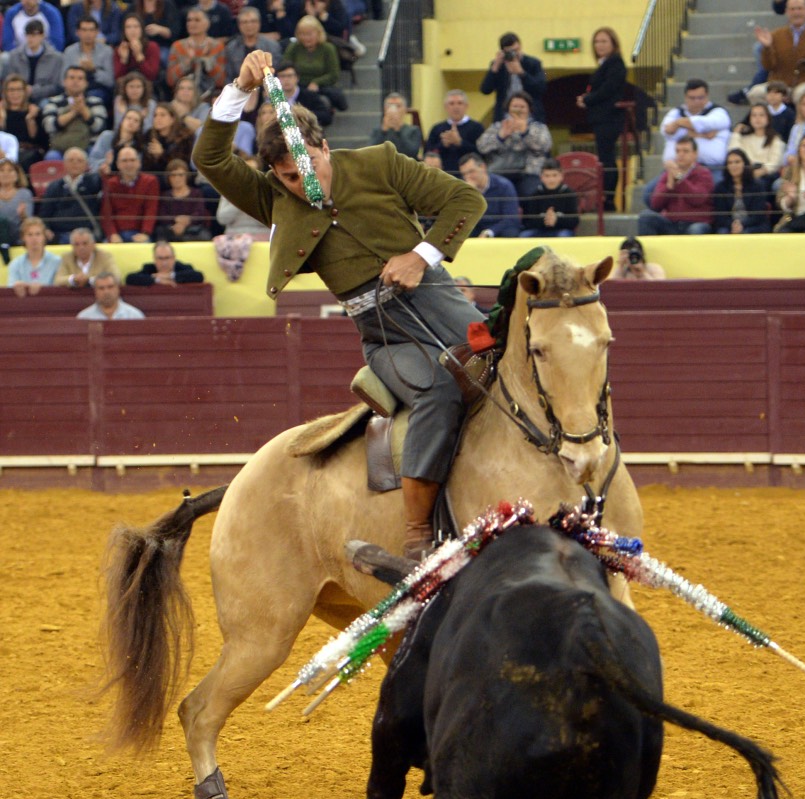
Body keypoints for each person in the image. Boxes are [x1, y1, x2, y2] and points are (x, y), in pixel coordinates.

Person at [193, 49, 487, 559]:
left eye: (307, 167)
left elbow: (467, 200)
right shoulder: (274, 199)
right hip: (387, 334)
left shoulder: (379, 162)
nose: (303, 184)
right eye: (287, 176)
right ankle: (418, 533)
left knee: (504, 362)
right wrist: (239, 89)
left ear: (323, 147)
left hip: (440, 300)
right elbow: (210, 160)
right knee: (439, 389)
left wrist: (419, 255)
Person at [576, 26, 627, 211]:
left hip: (609, 118)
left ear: (613, 43)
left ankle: (609, 198)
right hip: (601, 117)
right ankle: (606, 196)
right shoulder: (605, 63)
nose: (599, 45)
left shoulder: (615, 63)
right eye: (597, 41)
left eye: (604, 41)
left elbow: (608, 89)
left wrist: (587, 99)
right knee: (605, 158)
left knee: (607, 159)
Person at [475, 90, 551, 198]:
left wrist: (525, 132)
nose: (518, 110)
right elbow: (481, 146)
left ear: (529, 109)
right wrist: (500, 136)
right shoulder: (497, 126)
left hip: (529, 173)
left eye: (522, 107)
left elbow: (545, 146)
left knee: (531, 194)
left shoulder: (538, 127)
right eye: (515, 106)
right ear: (508, 109)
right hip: (499, 171)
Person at [751, 0, 805, 100]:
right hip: (779, 84)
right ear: (787, 12)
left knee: (802, 94)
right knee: (755, 93)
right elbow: (768, 66)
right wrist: (767, 48)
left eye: (800, 9)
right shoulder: (776, 35)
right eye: (792, 9)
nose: (796, 13)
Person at [637, 136, 714, 235]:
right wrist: (668, 187)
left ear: (695, 154)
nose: (680, 155)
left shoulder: (704, 173)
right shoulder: (668, 173)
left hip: (695, 223)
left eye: (685, 151)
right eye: (678, 151)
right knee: (646, 216)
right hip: (672, 223)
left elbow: (697, 199)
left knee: (696, 230)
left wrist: (679, 178)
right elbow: (655, 205)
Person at [659, 79, 731, 174]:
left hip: (710, 169)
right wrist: (703, 134)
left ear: (707, 96)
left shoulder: (718, 112)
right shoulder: (675, 113)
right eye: (692, 98)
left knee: (718, 187)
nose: (696, 101)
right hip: (677, 169)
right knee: (651, 189)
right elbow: (667, 130)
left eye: (701, 98)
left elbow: (708, 123)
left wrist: (679, 124)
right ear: (685, 97)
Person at [282, 15, 347, 115]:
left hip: (320, 87)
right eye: (302, 34)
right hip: (297, 86)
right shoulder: (293, 48)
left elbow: (333, 74)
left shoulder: (328, 49)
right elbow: (284, 68)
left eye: (309, 34)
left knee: (321, 101)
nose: (306, 38)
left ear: (318, 33)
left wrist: (316, 82)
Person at [41, 65, 108, 158]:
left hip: (88, 146)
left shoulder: (95, 102)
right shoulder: (53, 102)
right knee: (51, 157)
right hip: (60, 148)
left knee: (96, 155)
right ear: (64, 82)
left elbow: (98, 127)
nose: (75, 81)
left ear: (86, 83)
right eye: (71, 78)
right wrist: (73, 113)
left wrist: (84, 111)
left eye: (80, 78)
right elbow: (49, 126)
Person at [38, 146, 103, 241]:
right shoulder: (54, 186)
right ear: (64, 164)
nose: (75, 163)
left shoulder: (93, 182)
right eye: (71, 160)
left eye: (79, 161)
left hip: (87, 234)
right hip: (60, 234)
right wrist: (46, 229)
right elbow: (45, 214)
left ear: (86, 165)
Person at [480, 32, 547, 123]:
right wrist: (495, 68)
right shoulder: (499, 65)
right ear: (503, 51)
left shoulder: (533, 63)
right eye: (510, 52)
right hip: (505, 115)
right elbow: (485, 90)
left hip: (530, 115)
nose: (515, 54)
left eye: (516, 50)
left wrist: (522, 73)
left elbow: (541, 88)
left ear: (520, 46)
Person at [100, 145, 159, 242]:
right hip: (117, 234)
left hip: (140, 233)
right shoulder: (110, 184)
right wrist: (112, 234)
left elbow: (151, 209)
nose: (129, 164)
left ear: (139, 163)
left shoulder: (150, 181)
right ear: (118, 164)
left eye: (132, 160)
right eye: (124, 161)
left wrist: (145, 233)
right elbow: (106, 213)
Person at [727, 101, 786, 192]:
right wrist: (736, 133)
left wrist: (760, 172)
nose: (757, 118)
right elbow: (734, 153)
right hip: (744, 173)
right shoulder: (744, 139)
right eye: (754, 115)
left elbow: (775, 163)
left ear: (768, 118)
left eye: (761, 115)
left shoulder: (775, 139)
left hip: (765, 175)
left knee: (757, 184)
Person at [458, 152, 521, 237]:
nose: (467, 177)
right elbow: (462, 218)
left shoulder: (504, 185)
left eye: (471, 172)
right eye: (464, 174)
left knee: (510, 232)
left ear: (483, 167)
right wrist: (471, 195)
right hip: (477, 227)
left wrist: (490, 232)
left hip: (499, 227)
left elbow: (511, 218)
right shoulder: (464, 189)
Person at [166, 9, 226, 95]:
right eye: (189, 20)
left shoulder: (217, 46)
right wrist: (187, 61)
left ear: (207, 24)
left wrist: (208, 61)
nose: (192, 23)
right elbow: (170, 80)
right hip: (183, 95)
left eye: (197, 20)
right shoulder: (177, 46)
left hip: (210, 95)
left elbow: (221, 81)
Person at [424, 89, 484, 176]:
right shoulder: (437, 128)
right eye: (451, 103)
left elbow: (482, 154)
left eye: (460, 103)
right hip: (442, 175)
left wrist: (460, 143)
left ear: (466, 106)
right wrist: (443, 145)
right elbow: (428, 153)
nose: (456, 107)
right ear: (446, 107)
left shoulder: (477, 128)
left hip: (469, 175)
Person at [3, 20, 63, 106]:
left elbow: (56, 86)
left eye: (34, 35)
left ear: (42, 36)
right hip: (18, 97)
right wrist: (22, 91)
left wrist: (33, 91)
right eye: (28, 34)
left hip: (45, 98)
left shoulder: (56, 58)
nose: (31, 38)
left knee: (45, 105)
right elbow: (10, 80)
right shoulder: (14, 56)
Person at [713, 148, 771, 233]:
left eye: (737, 162)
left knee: (746, 232)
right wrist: (733, 225)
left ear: (745, 164)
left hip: (753, 225)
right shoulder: (721, 187)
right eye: (730, 163)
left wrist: (742, 224)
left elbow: (758, 216)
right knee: (722, 232)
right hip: (730, 225)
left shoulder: (757, 186)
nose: (733, 165)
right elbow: (720, 217)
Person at [519, 157, 579, 237]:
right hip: (539, 230)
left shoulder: (569, 194)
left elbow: (575, 221)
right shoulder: (535, 195)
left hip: (562, 230)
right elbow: (526, 222)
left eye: (554, 175)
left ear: (561, 176)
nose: (551, 180)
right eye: (547, 176)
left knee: (564, 236)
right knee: (524, 236)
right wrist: (545, 220)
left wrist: (557, 220)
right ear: (541, 177)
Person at [61, 17, 114, 106]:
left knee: (95, 96)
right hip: (73, 90)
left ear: (97, 32)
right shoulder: (69, 51)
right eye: (84, 30)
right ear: (77, 32)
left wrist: (93, 70)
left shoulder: (107, 51)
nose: (88, 34)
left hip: (97, 89)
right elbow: (62, 79)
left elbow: (110, 81)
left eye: (91, 30)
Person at [155, 157, 210, 239]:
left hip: (193, 230)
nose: (177, 178)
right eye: (173, 175)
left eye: (180, 175)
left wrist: (187, 220)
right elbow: (162, 215)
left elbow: (200, 213)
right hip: (171, 229)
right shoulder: (165, 195)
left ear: (186, 176)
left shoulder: (196, 193)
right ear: (168, 177)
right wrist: (175, 220)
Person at [225, 6, 283, 84]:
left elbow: (277, 73)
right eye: (245, 22)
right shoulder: (231, 48)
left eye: (253, 21)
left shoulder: (272, 46)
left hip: (266, 90)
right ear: (239, 25)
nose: (249, 25)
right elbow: (229, 76)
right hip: (240, 89)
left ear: (259, 23)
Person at [0, 75, 45, 170]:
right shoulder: (1, 112)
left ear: (25, 92)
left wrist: (30, 120)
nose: (15, 94)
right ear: (5, 92)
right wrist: (2, 120)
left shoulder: (34, 111)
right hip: (4, 151)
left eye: (19, 90)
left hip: (28, 151)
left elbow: (41, 141)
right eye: (11, 90)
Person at [7, 214, 60, 292]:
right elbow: (10, 290)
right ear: (23, 238)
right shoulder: (15, 264)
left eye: (38, 234)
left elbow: (60, 289)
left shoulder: (57, 262)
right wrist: (18, 286)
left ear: (44, 237)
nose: (34, 238)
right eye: (30, 235)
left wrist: (43, 289)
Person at [53, 224, 120, 284]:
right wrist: (73, 279)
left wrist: (89, 280)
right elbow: (57, 281)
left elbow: (116, 277)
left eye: (85, 243)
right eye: (77, 244)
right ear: (72, 246)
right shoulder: (66, 258)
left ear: (93, 244)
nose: (81, 248)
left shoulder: (105, 256)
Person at [89, 106, 145, 174]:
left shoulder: (139, 146)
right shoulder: (107, 136)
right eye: (128, 118)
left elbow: (138, 168)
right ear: (122, 121)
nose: (131, 122)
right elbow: (93, 160)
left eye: (136, 120)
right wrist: (105, 163)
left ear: (139, 127)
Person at [142, 102, 194, 174]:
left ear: (172, 119)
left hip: (178, 175)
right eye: (155, 115)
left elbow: (183, 164)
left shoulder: (185, 136)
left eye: (162, 115)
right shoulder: (148, 135)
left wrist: (162, 154)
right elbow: (146, 165)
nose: (158, 118)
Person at [125, 238, 205, 284]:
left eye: (167, 258)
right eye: (160, 258)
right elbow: (129, 278)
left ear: (173, 258)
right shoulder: (149, 268)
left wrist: (170, 276)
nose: (164, 263)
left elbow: (199, 276)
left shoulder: (182, 267)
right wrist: (157, 279)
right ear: (154, 259)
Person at [369, 92, 421, 159]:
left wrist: (398, 130)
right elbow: (371, 152)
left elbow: (412, 153)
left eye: (398, 106)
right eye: (389, 106)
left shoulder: (413, 130)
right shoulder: (377, 131)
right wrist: (384, 130)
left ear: (405, 110)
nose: (393, 110)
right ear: (385, 109)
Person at [1, 0, 66, 53]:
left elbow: (57, 42)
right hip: (19, 56)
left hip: (46, 55)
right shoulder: (12, 14)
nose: (27, 1)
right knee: (5, 58)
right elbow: (7, 42)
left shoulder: (52, 13)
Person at [114, 14, 162, 85]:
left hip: (147, 87)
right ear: (124, 31)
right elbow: (118, 78)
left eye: (136, 26)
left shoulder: (152, 47)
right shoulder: (120, 49)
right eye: (128, 27)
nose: (132, 30)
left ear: (142, 29)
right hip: (125, 89)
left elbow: (152, 76)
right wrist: (123, 60)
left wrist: (139, 56)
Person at [76, 271, 146, 319]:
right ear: (95, 292)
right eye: (101, 288)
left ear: (118, 289)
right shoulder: (84, 317)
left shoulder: (134, 316)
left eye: (110, 287)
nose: (106, 292)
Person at [0, 156, 34, 243]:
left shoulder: (24, 194)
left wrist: (22, 215)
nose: (5, 173)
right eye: (2, 170)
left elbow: (28, 222)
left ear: (17, 175)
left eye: (10, 170)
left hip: (18, 236)